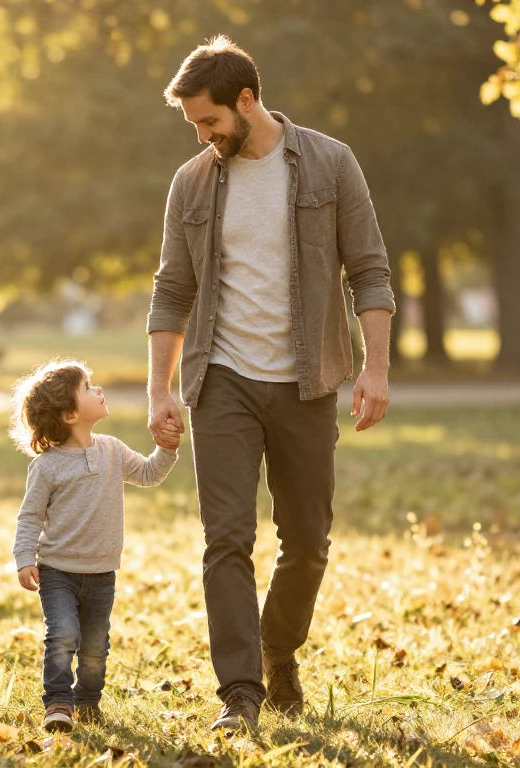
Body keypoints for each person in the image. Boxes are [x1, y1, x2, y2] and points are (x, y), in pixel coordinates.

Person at [146, 36, 396, 733]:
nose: (202, 135)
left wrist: (375, 367)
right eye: (195, 125)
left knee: (307, 539)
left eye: (209, 121)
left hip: (306, 379)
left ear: (246, 100)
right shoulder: (192, 182)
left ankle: (277, 647)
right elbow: (172, 291)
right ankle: (240, 694)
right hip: (221, 380)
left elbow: (370, 271)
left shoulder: (328, 162)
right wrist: (158, 390)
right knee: (225, 538)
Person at [10, 359, 181, 732]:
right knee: (62, 636)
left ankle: (88, 703)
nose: (98, 389)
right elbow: (29, 517)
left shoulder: (112, 450)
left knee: (94, 648)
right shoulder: (47, 466)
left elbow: (149, 475)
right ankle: (57, 703)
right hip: (57, 571)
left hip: (102, 572)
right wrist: (25, 558)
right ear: (71, 414)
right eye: (88, 387)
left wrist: (166, 450)